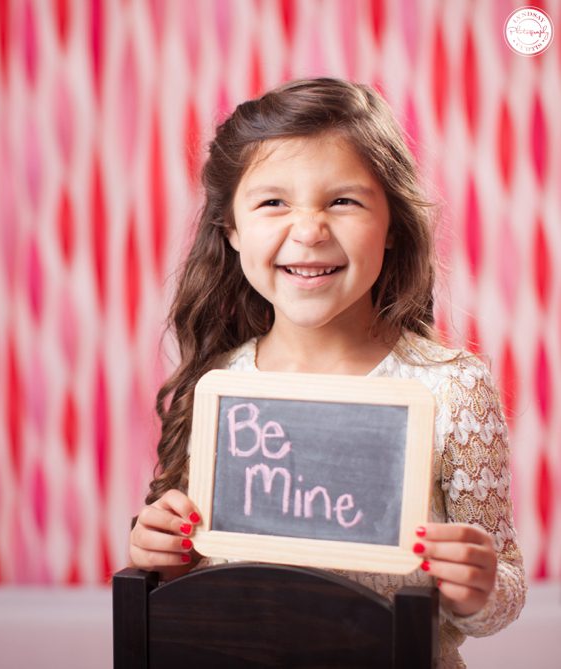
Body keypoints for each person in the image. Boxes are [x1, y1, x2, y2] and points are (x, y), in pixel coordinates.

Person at [128, 78, 525, 667]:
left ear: (392, 225)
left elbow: (503, 589)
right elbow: (200, 561)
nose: (310, 229)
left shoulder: (452, 388)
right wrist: (162, 552)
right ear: (231, 230)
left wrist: (480, 587)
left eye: (343, 201)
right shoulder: (224, 384)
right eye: (273, 202)